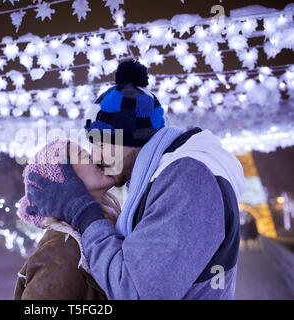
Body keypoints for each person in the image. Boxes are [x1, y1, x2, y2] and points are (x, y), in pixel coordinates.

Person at [25, 60, 247, 299]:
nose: (96, 156)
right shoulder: (167, 179)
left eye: (102, 142)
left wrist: (83, 212)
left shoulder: (189, 180)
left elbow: (136, 291)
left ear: (134, 137)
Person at [13, 139, 121, 300]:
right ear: (65, 179)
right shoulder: (59, 250)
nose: (95, 158)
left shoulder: (106, 227)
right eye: (83, 156)